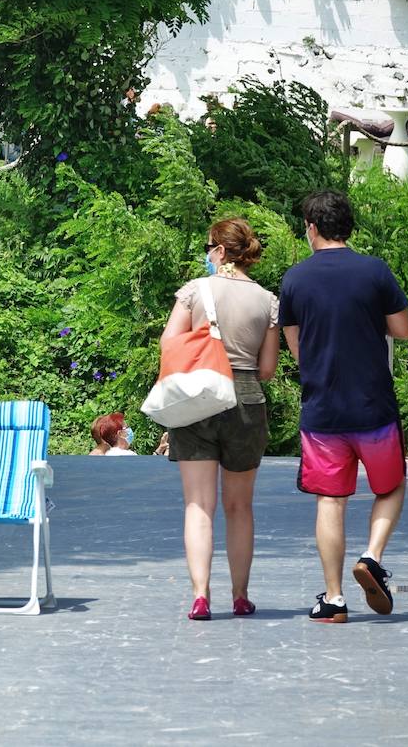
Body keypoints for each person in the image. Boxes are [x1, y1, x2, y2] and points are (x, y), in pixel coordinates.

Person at [279, 190, 408, 624]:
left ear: (312, 228)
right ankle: (371, 557)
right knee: (390, 486)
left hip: (322, 412)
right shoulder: (374, 271)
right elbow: (403, 329)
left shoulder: (294, 279)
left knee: (330, 502)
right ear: (348, 228)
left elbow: (297, 350)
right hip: (373, 406)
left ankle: (334, 599)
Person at [161, 218, 279, 620]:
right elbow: (267, 369)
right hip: (246, 398)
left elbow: (168, 343)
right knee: (239, 506)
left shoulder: (195, 290)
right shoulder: (267, 300)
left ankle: (200, 595)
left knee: (198, 505)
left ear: (219, 251)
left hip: (199, 397)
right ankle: (241, 595)